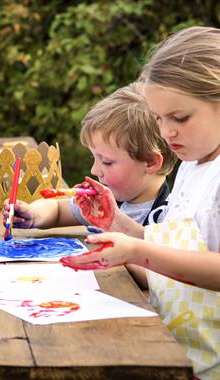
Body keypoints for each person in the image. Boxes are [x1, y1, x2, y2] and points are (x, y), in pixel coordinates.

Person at [63, 27, 220, 379]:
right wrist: (116, 223)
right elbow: (176, 248)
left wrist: (135, 251)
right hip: (174, 350)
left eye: (179, 118)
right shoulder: (194, 164)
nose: (166, 133)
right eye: (159, 119)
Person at [3, 82, 177, 229]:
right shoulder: (109, 200)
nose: (95, 170)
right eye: (94, 158)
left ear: (150, 162)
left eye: (107, 162)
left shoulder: (167, 220)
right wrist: (32, 215)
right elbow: (57, 209)